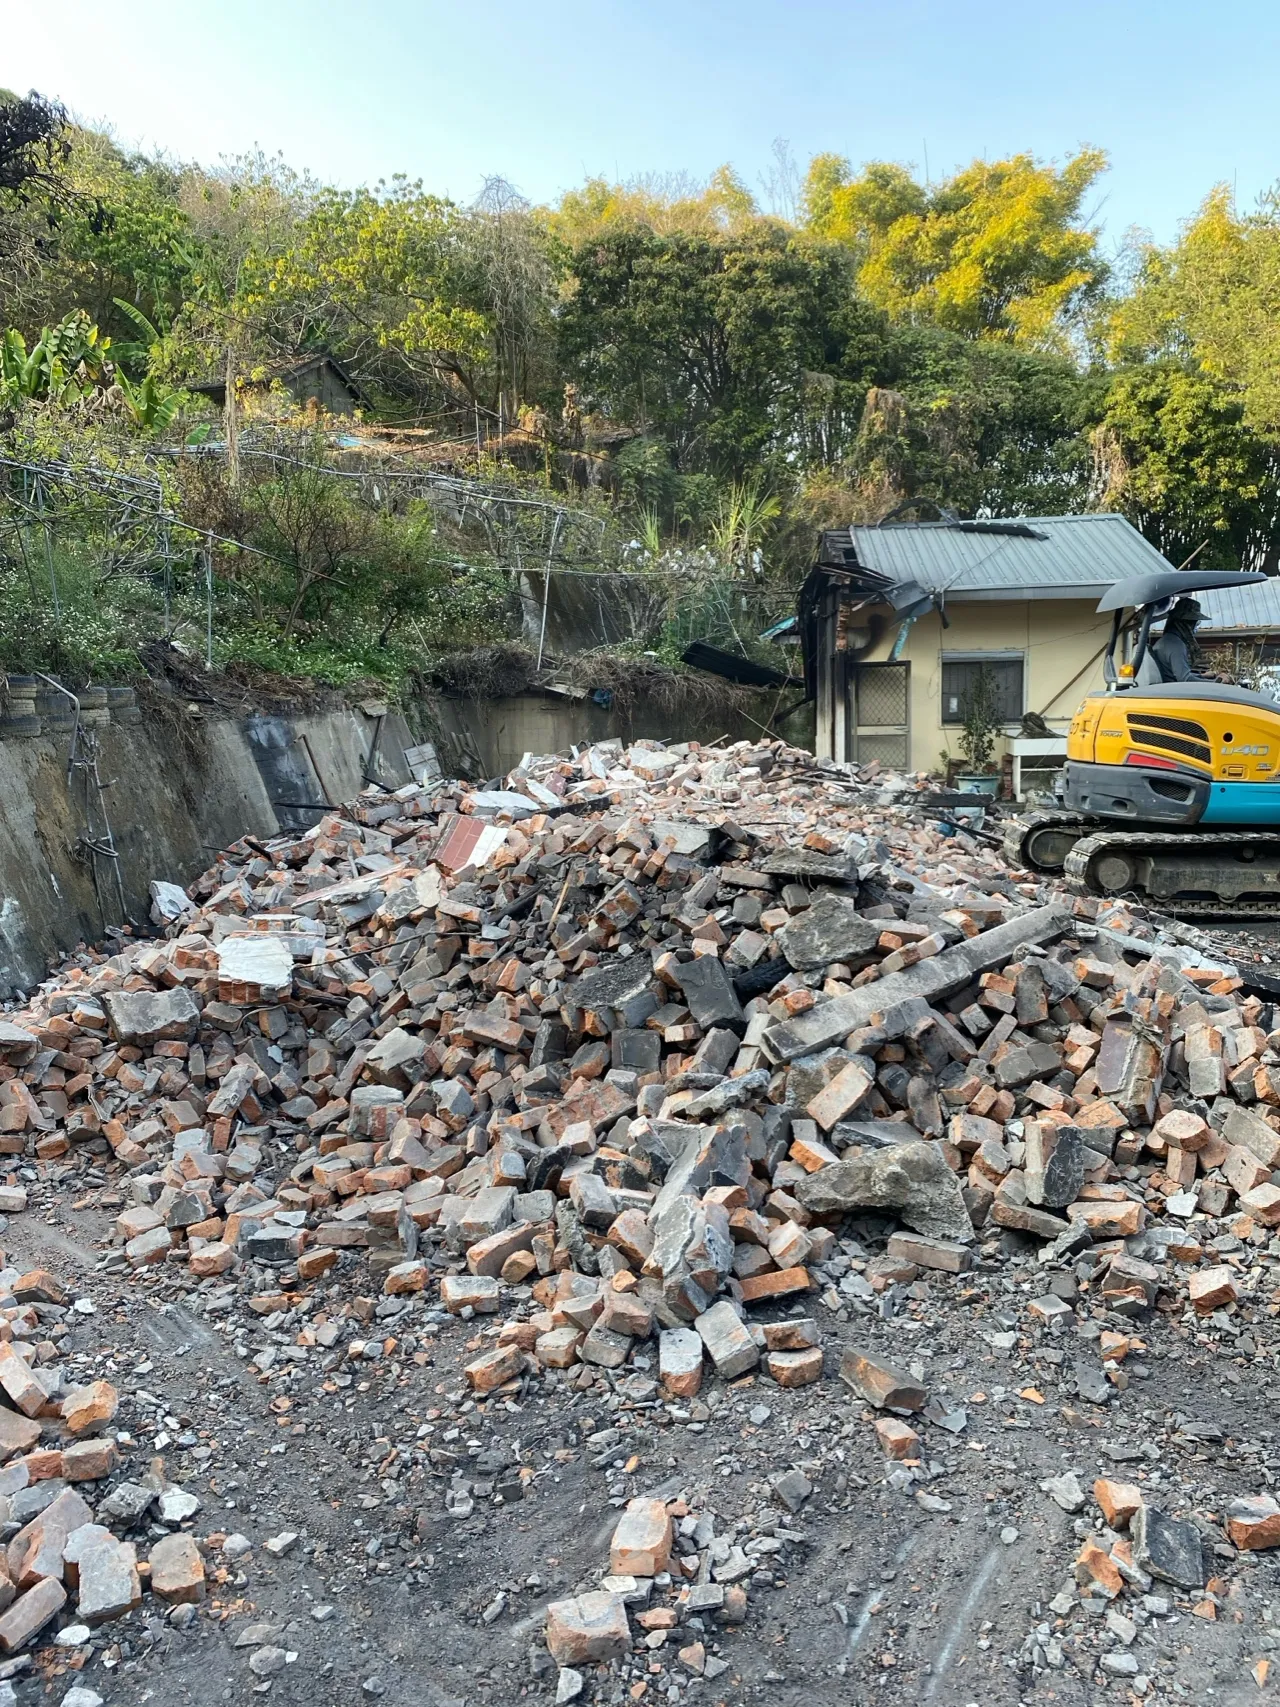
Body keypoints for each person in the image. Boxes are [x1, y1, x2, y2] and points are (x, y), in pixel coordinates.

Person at [1136, 597, 1203, 685]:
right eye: (1195, 623)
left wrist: (1202, 676)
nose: (1195, 627)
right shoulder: (1176, 645)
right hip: (1174, 689)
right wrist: (1216, 683)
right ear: (1187, 623)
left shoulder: (1168, 640)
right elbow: (1185, 679)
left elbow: (1182, 673)